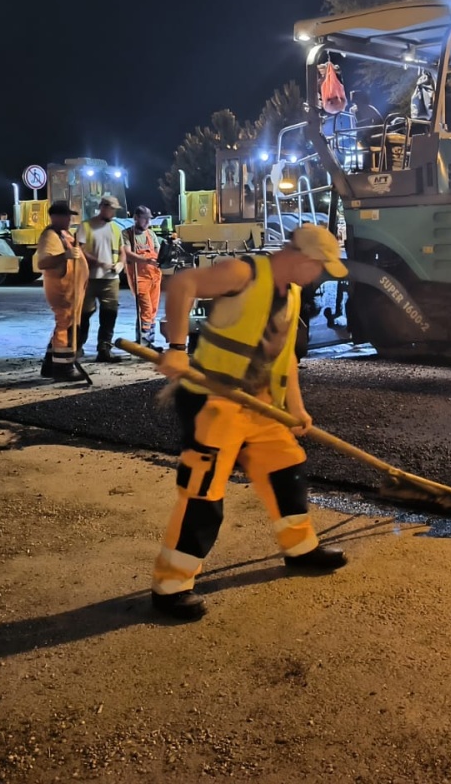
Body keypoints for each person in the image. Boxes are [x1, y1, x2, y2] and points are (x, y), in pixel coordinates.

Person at [148, 223, 350, 620]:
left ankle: (300, 548)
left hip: (258, 405)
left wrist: (297, 407)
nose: (320, 275)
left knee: (287, 468)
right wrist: (176, 349)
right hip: (213, 402)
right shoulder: (245, 273)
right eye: (320, 266)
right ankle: (170, 586)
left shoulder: (291, 294)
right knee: (204, 494)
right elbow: (183, 283)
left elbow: (284, 357)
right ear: (301, 258)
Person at [33, 201, 85, 382]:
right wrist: (66, 256)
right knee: (65, 327)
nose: (70, 219)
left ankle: (49, 365)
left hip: (71, 290)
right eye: (66, 216)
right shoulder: (50, 236)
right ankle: (63, 369)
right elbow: (43, 262)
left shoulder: (64, 234)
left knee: (63, 325)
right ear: (55, 217)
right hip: (61, 290)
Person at [76, 194, 125, 362]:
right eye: (112, 210)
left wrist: (121, 264)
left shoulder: (116, 229)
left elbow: (122, 251)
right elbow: (80, 251)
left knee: (109, 315)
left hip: (110, 280)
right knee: (84, 315)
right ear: (103, 207)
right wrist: (99, 263)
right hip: (88, 279)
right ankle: (77, 347)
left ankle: (104, 349)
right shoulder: (86, 226)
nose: (114, 214)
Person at [122, 205, 163, 350]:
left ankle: (147, 341)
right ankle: (145, 344)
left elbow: (159, 253)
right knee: (145, 310)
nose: (147, 222)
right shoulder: (127, 234)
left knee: (153, 310)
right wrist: (146, 260)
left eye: (149, 219)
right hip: (140, 278)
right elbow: (127, 253)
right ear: (136, 218)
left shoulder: (151, 235)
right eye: (144, 219)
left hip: (155, 277)